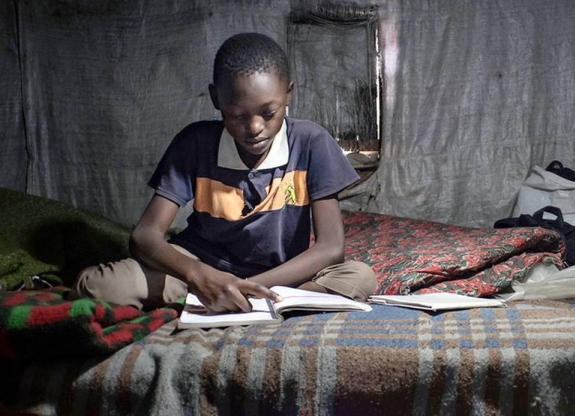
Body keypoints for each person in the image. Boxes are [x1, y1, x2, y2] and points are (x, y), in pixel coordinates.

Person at [71, 33, 377, 313]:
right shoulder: (195, 143)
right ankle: (248, 303)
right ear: (216, 99)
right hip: (202, 269)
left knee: (359, 277)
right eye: (237, 115)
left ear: (289, 94)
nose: (255, 128)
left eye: (268, 113)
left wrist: (250, 286)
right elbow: (144, 236)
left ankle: (240, 302)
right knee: (96, 286)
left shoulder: (311, 142)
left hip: (279, 274)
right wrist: (201, 276)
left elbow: (331, 248)